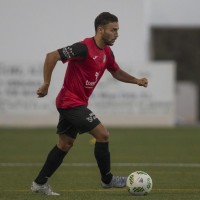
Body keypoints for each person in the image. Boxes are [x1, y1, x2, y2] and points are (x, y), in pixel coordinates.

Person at [31, 12, 148, 196]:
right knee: (103, 134)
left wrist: (136, 80)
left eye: (118, 30)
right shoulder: (83, 48)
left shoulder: (107, 52)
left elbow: (116, 72)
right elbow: (51, 56)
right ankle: (107, 180)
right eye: (113, 30)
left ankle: (39, 183)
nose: (117, 34)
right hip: (69, 102)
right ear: (101, 30)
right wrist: (46, 83)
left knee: (65, 144)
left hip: (76, 103)